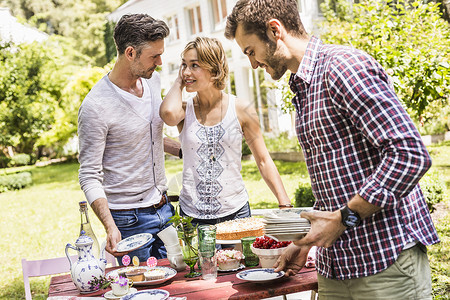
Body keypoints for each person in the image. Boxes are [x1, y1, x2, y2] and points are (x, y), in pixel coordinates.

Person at [225, 0, 440, 299]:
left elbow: (409, 155)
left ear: (275, 31)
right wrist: (305, 243)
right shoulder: (302, 86)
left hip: (385, 262)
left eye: (251, 51)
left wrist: (344, 219)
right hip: (336, 266)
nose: (252, 63)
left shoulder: (344, 67)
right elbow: (336, 180)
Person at [160, 37, 292, 229]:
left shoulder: (241, 109)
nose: (187, 71)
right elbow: (168, 114)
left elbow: (263, 160)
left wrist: (284, 202)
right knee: (199, 261)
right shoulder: (183, 110)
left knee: (238, 260)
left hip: (235, 211)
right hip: (192, 216)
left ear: (214, 70)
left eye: (194, 65)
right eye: (184, 65)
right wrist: (180, 81)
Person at [78, 14, 179, 263]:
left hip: (164, 210)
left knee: (182, 283)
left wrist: (186, 150)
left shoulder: (152, 81)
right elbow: (89, 175)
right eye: (154, 56)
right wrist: (111, 226)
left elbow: (148, 133)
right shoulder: (96, 106)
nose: (160, 62)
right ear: (131, 53)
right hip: (128, 220)